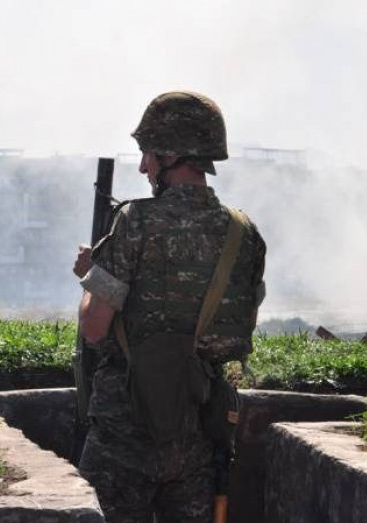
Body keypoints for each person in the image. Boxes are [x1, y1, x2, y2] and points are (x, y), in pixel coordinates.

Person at [72, 91, 266, 523]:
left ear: (171, 154)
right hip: (202, 430)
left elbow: (95, 327)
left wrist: (91, 276)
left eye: (148, 154)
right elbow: (240, 322)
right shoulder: (244, 233)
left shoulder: (136, 221)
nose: (143, 167)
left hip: (126, 432)